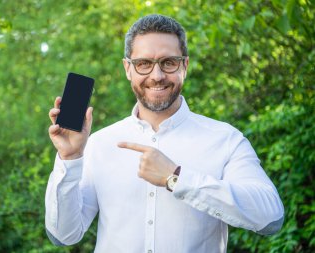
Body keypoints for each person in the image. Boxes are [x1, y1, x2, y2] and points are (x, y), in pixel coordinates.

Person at [45, 14, 284, 253]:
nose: (157, 75)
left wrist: (177, 178)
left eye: (168, 62)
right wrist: (70, 158)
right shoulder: (98, 144)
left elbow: (270, 218)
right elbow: (64, 235)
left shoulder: (225, 139)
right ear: (128, 69)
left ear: (185, 66)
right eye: (144, 63)